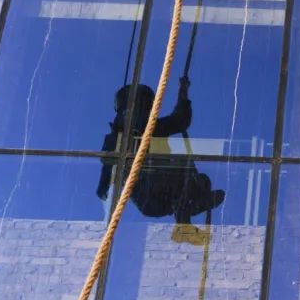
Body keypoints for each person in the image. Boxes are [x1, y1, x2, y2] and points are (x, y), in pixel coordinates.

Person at [96, 79, 224, 243]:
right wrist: (105, 190)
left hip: (160, 193)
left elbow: (180, 120)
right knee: (184, 170)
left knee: (201, 181)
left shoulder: (153, 128)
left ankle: (187, 216)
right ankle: (186, 216)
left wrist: (183, 92)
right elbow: (108, 167)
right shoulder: (118, 138)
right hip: (149, 195)